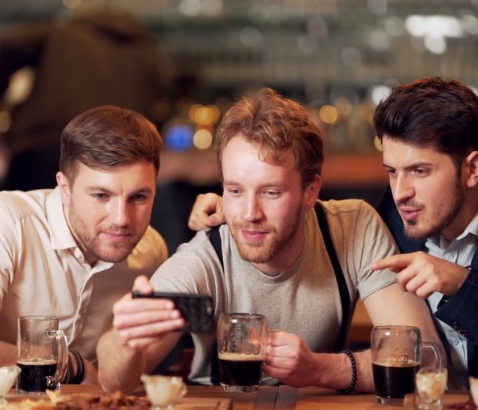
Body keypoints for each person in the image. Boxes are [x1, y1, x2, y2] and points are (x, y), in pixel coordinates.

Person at [190, 78, 478, 395]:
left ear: (472, 168)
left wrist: (461, 286)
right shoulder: (394, 213)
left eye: (420, 171)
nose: (400, 191)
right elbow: (298, 206)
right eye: (392, 170)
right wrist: (235, 205)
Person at [96, 88, 442, 393]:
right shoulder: (202, 260)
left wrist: (322, 370)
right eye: (234, 190)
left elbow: (424, 358)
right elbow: (114, 381)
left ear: (311, 192)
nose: (249, 213)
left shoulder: (352, 228)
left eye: (271, 192)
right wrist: (126, 339)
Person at [0, 105, 168, 389]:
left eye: (139, 197)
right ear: (64, 188)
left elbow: (120, 380)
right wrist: (71, 365)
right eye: (100, 195)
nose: (121, 219)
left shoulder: (151, 251)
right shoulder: (3, 223)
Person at [0, 8, 166, 191]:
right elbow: (158, 108)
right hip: (116, 160)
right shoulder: (147, 53)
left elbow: (10, 45)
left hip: (45, 145)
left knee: (27, 225)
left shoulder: (62, 33)